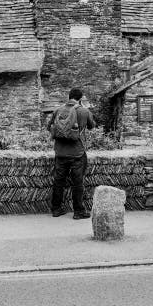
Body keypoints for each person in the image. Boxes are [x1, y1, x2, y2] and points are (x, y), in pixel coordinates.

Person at [49, 88, 95, 219]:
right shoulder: (84, 111)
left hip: (60, 152)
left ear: (68, 97)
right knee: (77, 182)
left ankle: (56, 209)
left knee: (58, 181)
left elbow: (50, 126)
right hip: (77, 153)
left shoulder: (58, 110)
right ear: (80, 99)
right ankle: (78, 211)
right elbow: (92, 126)